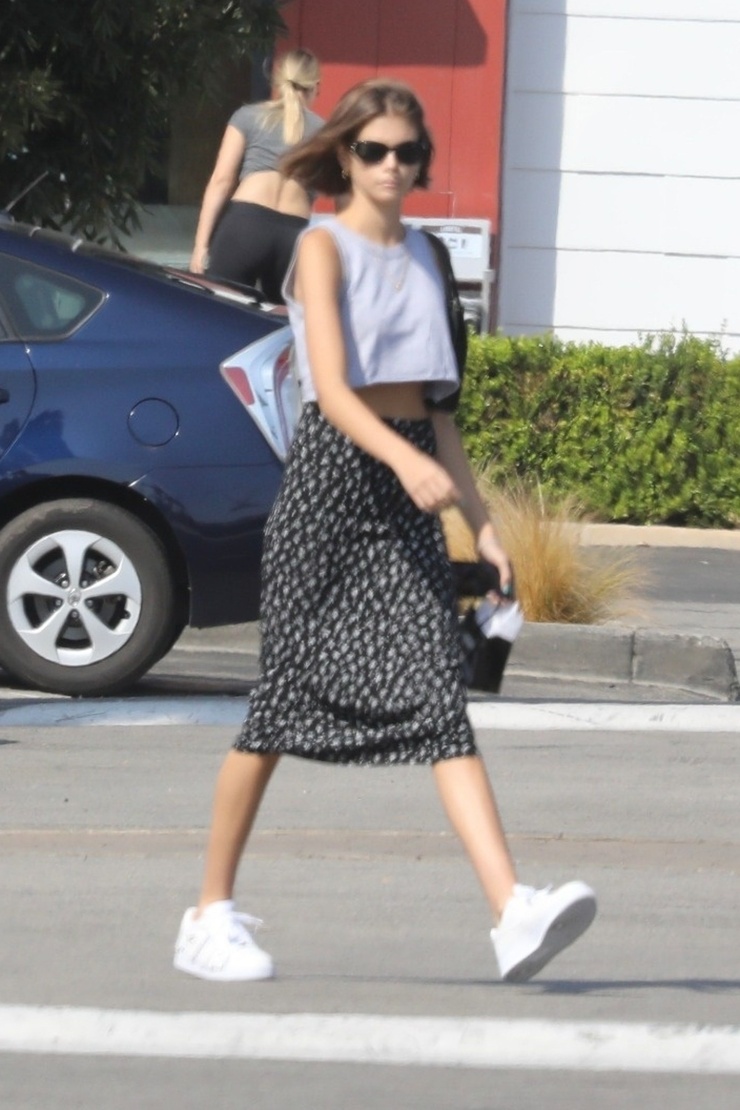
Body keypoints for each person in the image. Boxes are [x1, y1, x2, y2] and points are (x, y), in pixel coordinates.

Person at [174, 79, 597, 984]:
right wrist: (406, 464)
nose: (391, 165)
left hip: (407, 491)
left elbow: (438, 414)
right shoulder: (319, 248)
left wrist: (482, 527)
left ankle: (512, 912)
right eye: (373, 151)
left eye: (407, 152)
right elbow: (331, 390)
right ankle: (208, 914)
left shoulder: (428, 255)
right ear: (344, 156)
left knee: (440, 695)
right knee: (280, 706)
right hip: (332, 488)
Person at [189, 48, 323, 303]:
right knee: (284, 321)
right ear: (315, 87)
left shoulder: (248, 116)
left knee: (221, 311)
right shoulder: (325, 131)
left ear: (278, 80)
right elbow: (343, 178)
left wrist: (200, 245)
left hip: (246, 225)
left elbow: (221, 181)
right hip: (293, 235)